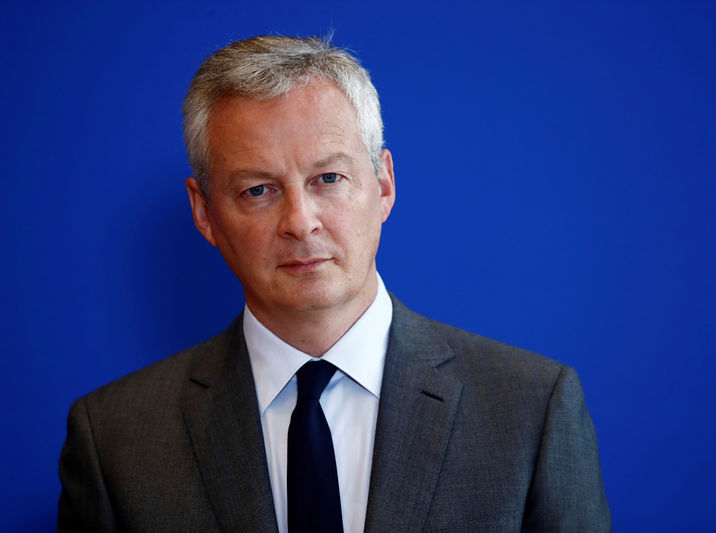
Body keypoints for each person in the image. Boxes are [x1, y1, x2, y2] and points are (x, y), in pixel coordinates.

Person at [58, 35, 611, 532]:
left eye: (328, 178)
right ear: (204, 214)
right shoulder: (114, 437)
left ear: (385, 185)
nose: (300, 221)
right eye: (257, 190)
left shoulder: (532, 409)